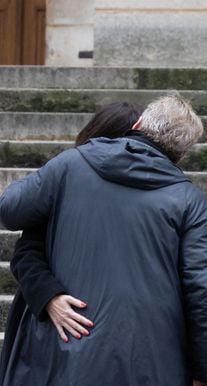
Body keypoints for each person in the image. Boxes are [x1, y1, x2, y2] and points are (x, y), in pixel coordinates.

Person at [0, 95, 207, 386]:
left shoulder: (71, 165)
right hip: (156, 362)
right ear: (182, 153)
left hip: (70, 353)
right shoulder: (190, 201)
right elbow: (205, 291)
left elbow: (9, 209)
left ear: (138, 124)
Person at [0, 102, 143, 384]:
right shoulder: (65, 176)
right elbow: (26, 253)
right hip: (58, 328)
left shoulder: (155, 190)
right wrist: (50, 297)